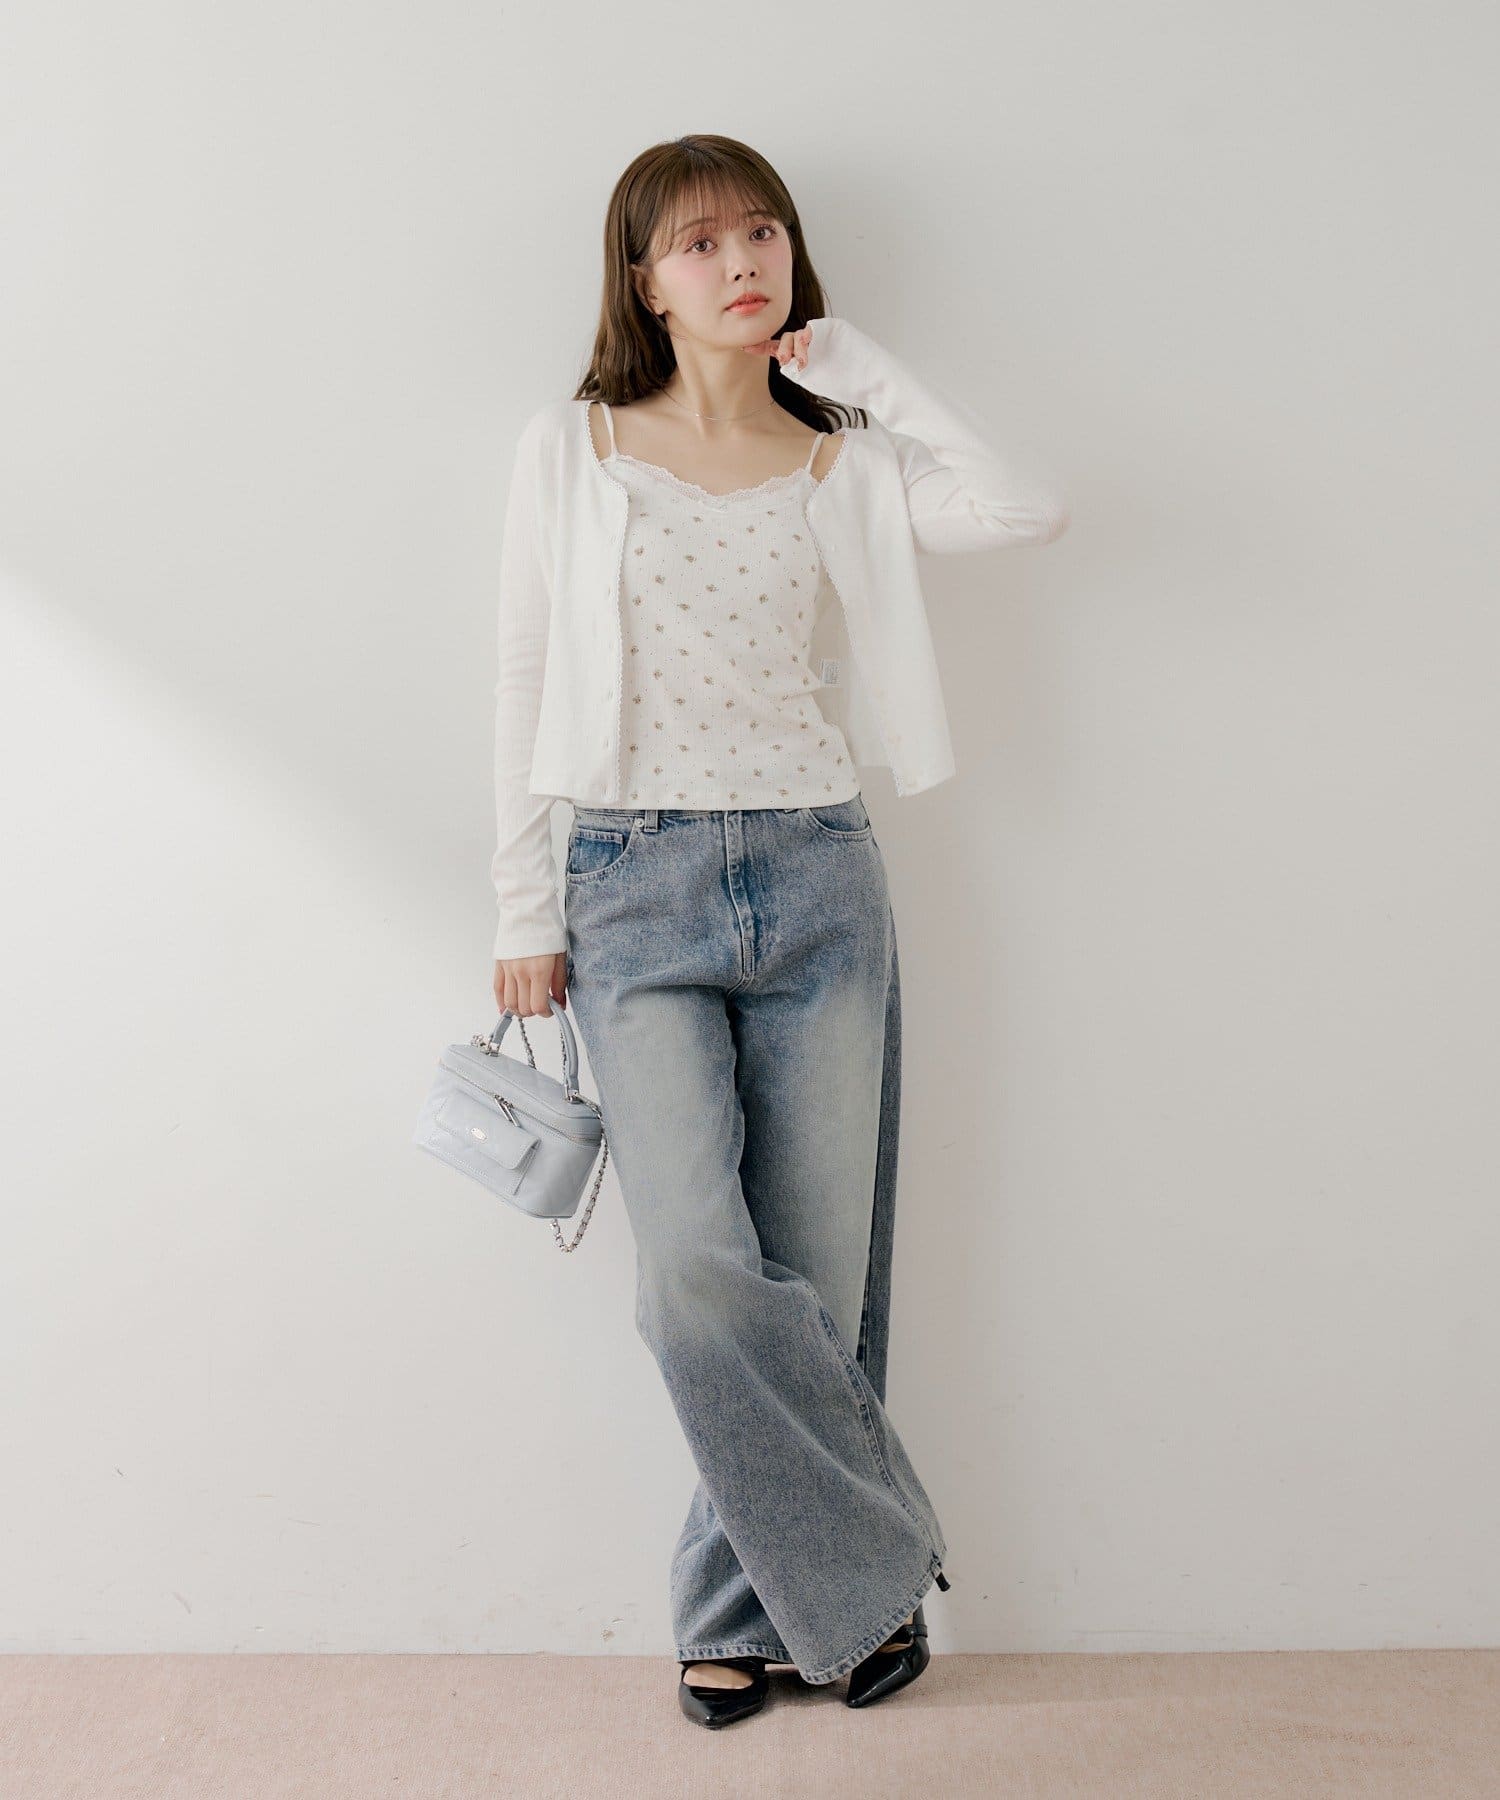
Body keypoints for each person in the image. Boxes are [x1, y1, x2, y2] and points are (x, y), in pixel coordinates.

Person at [488, 134, 1070, 1727]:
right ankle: (878, 1575)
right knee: (698, 1278)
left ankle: (759, 1616)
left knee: (817, 1286)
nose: (739, 261)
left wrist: (863, 374)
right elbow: (523, 679)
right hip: (632, 883)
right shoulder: (574, 448)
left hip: (818, 876)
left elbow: (1027, 509)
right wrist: (522, 906)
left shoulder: (846, 465)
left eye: (762, 233)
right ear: (642, 283)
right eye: (698, 244)